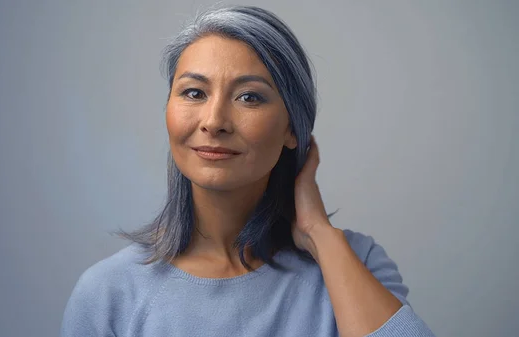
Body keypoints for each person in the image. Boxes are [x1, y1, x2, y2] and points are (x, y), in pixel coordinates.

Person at [61, 5, 435, 337]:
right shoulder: (108, 294)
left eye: (249, 97)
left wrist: (318, 233)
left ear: (293, 128)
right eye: (194, 93)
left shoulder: (355, 263)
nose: (214, 121)